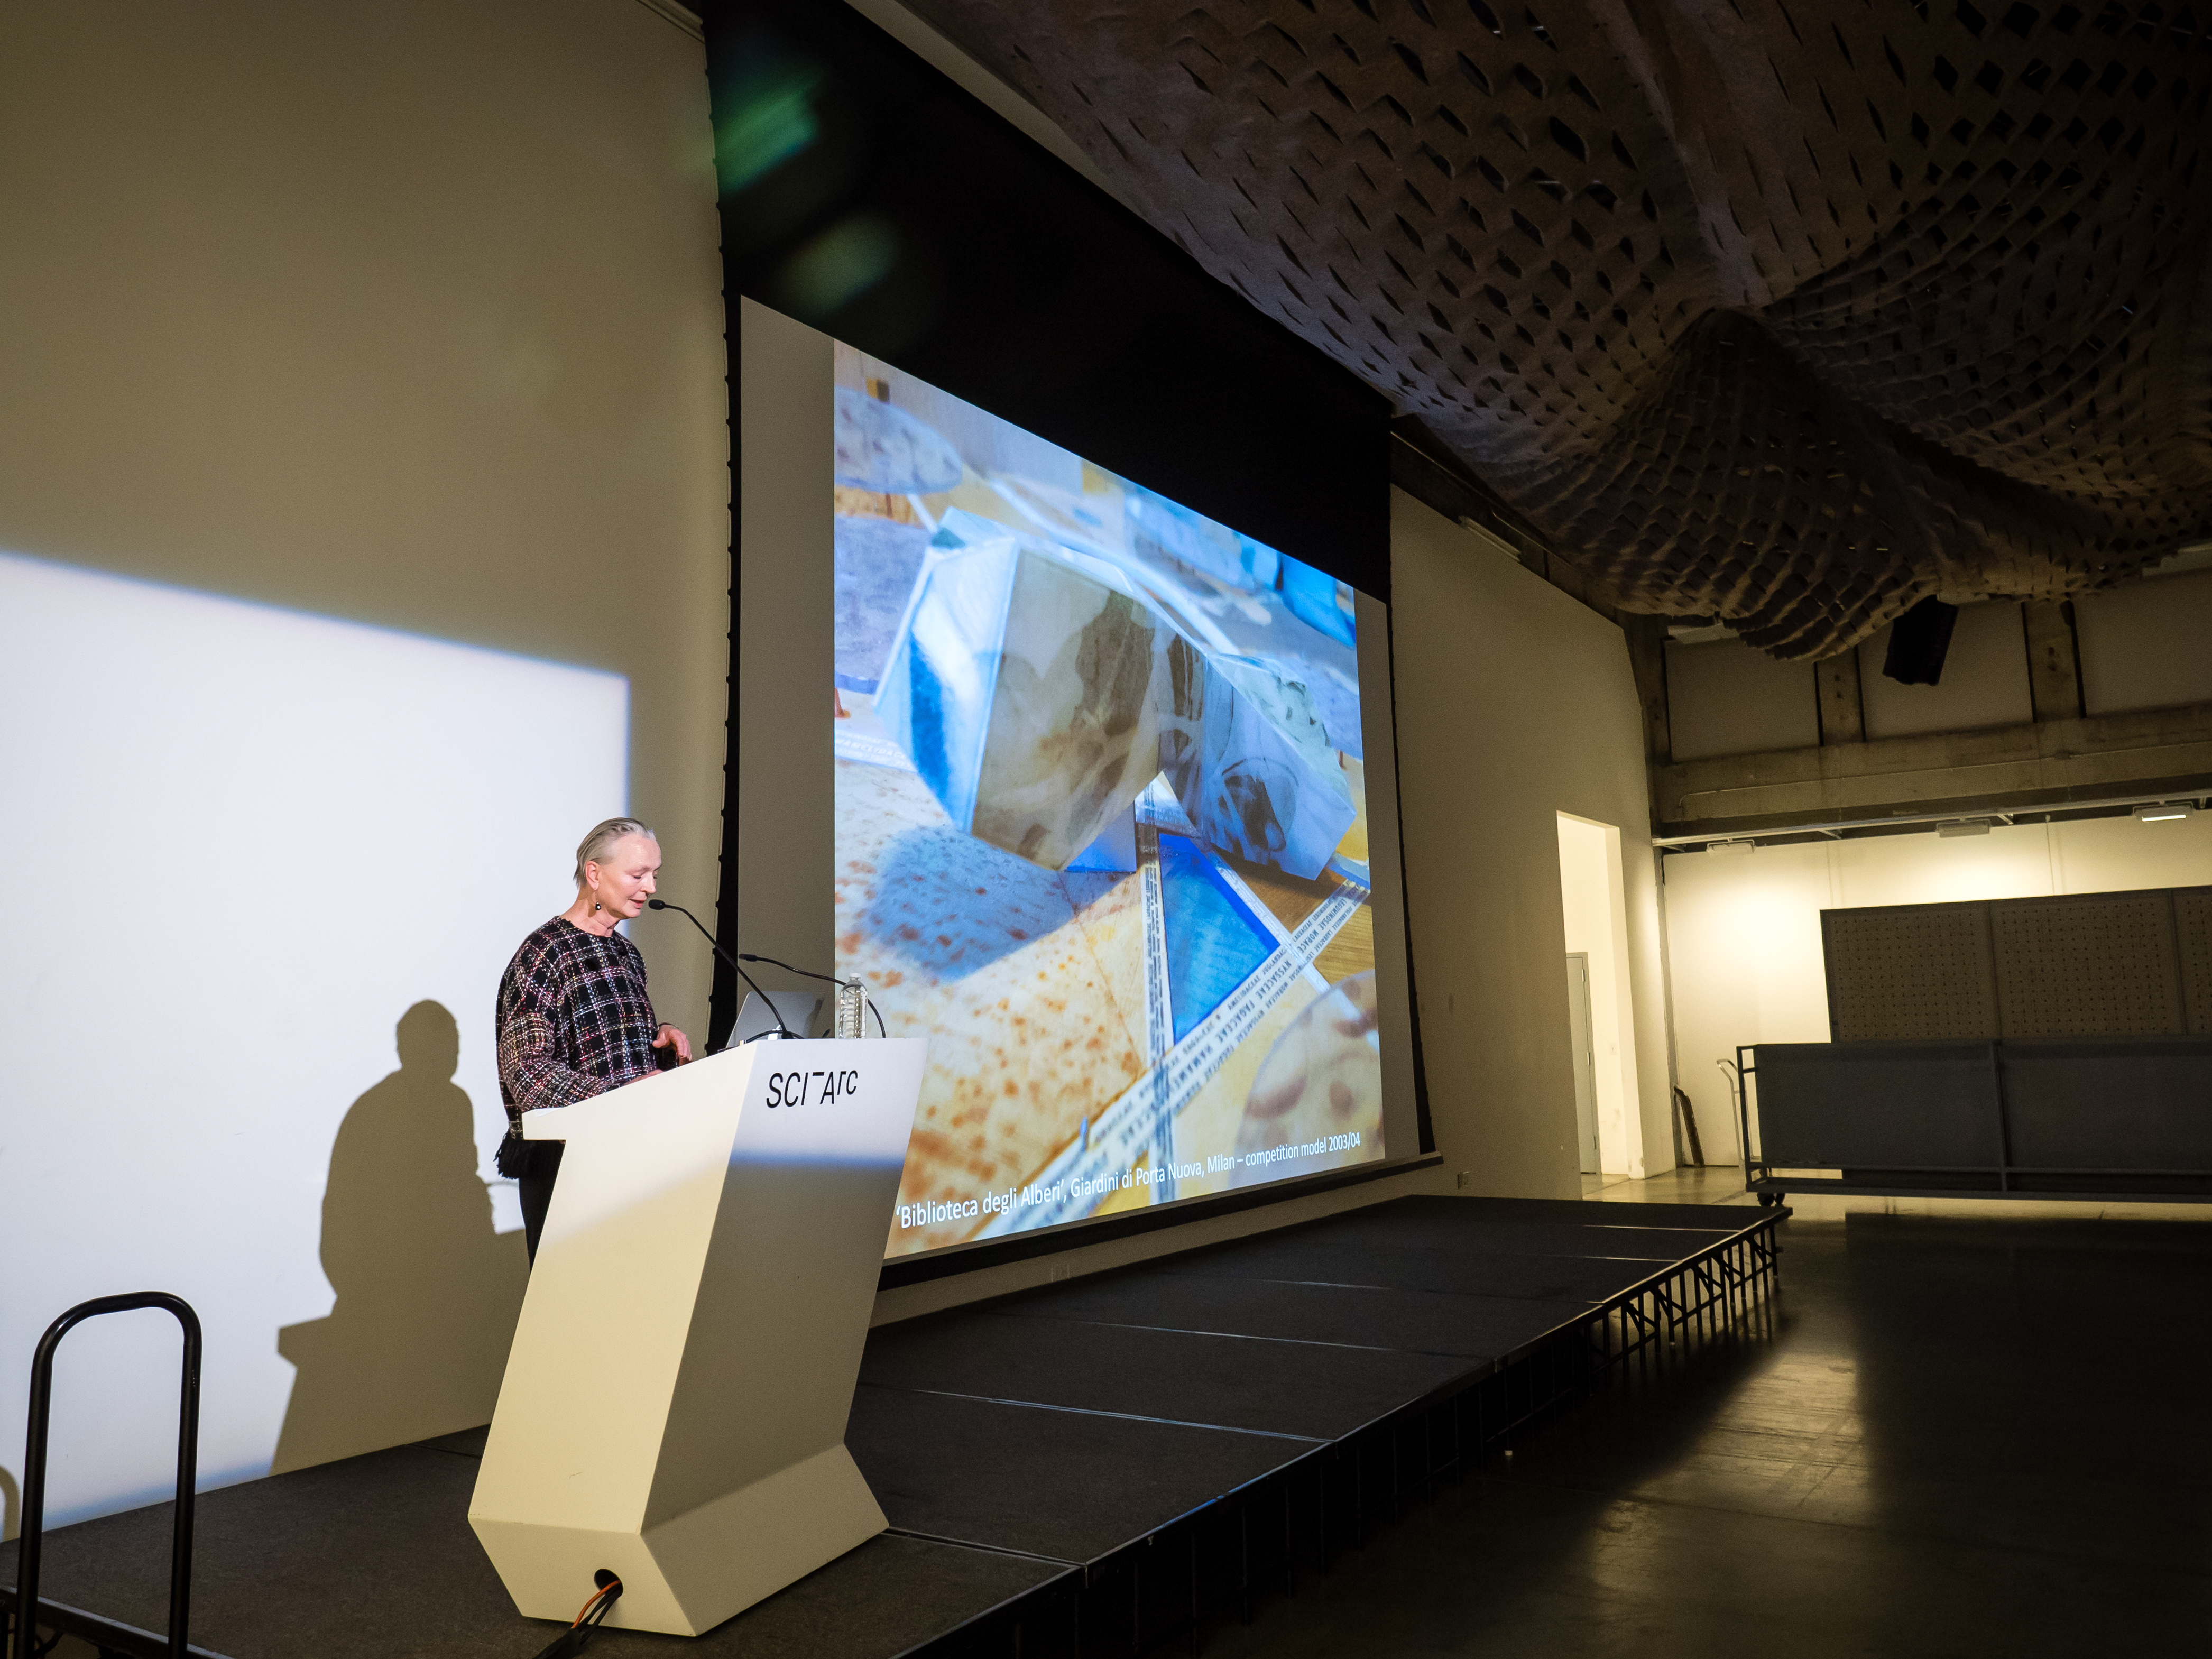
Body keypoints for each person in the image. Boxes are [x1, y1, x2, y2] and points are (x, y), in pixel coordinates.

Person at [495, 817, 692, 1260]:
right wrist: (619, 1093)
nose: (651, 887)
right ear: (595, 873)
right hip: (568, 1166)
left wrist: (658, 1037)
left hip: (631, 1156)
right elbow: (527, 1073)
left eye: (655, 874)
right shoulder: (545, 954)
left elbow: (606, 1044)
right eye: (638, 875)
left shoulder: (626, 954)